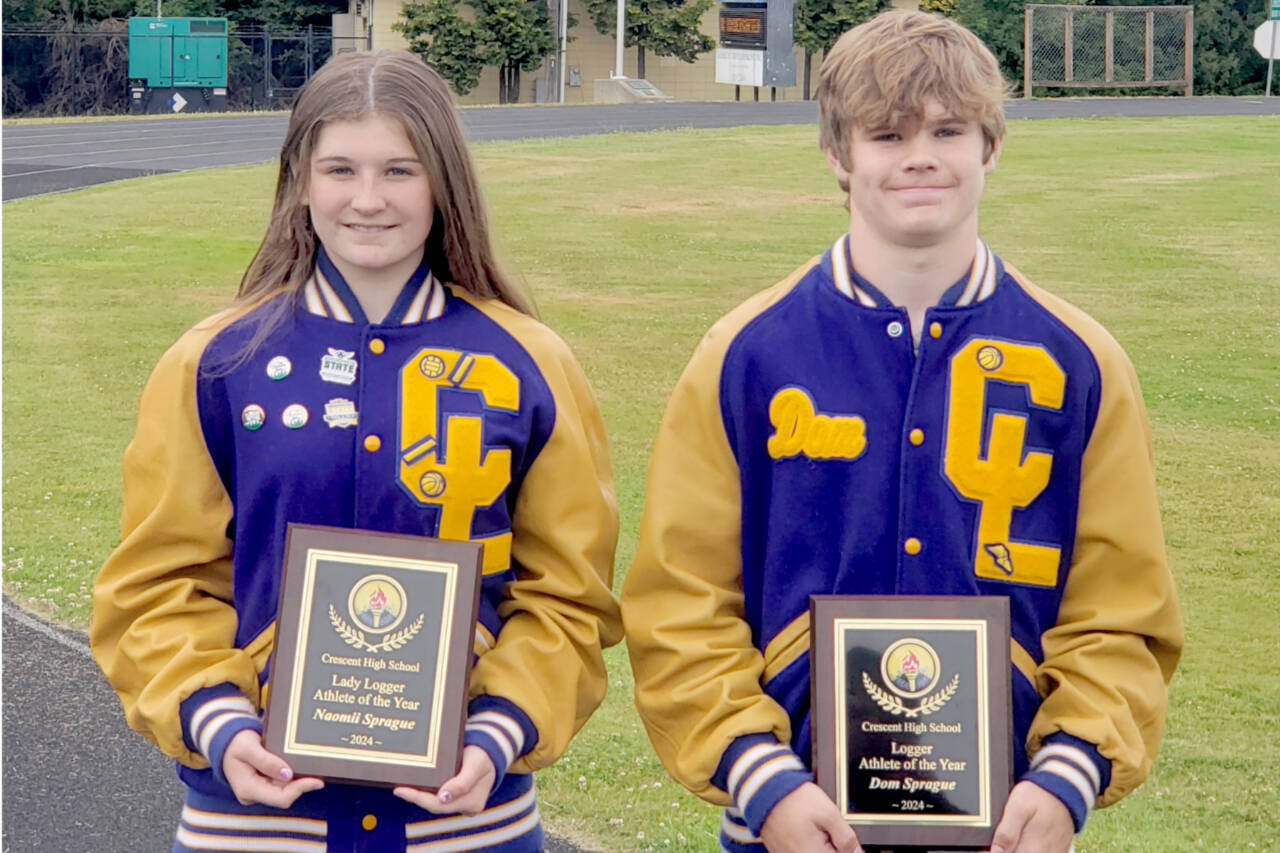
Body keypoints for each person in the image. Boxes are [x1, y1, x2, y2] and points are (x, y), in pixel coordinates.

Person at [620, 11, 1182, 853]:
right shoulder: (744, 354)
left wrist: (1072, 764)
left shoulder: (1082, 362)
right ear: (838, 156)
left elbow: (1120, 608)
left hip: (1007, 822)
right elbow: (681, 600)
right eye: (886, 134)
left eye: (948, 130)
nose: (920, 155)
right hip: (791, 820)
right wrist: (757, 774)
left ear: (991, 146)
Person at [91, 50, 621, 853]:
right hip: (254, 822)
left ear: (442, 182)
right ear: (299, 181)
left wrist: (500, 729)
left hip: (465, 823)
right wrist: (221, 722)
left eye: (399, 170)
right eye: (340, 168)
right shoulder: (215, 363)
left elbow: (569, 598)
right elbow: (156, 587)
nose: (367, 200)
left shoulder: (528, 363)